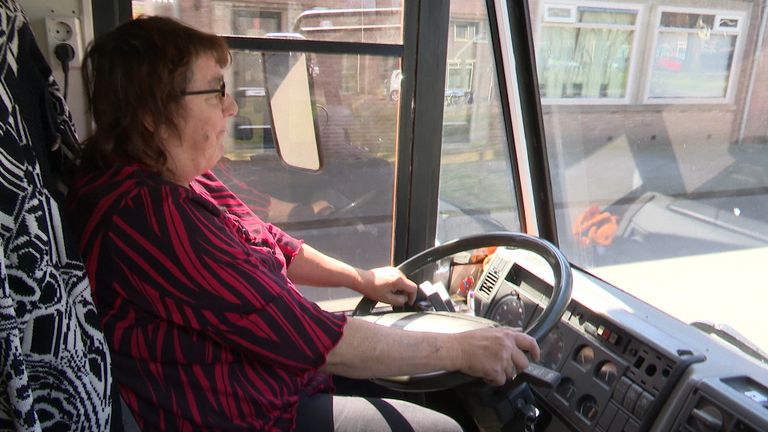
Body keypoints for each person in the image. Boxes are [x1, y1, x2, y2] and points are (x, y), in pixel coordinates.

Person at [66, 15, 540, 431]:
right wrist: (465, 351)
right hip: (244, 412)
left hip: (267, 377)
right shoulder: (150, 218)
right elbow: (308, 339)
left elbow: (271, 240)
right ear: (152, 114)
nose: (231, 108)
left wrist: (361, 278)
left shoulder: (180, 180)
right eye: (215, 92)